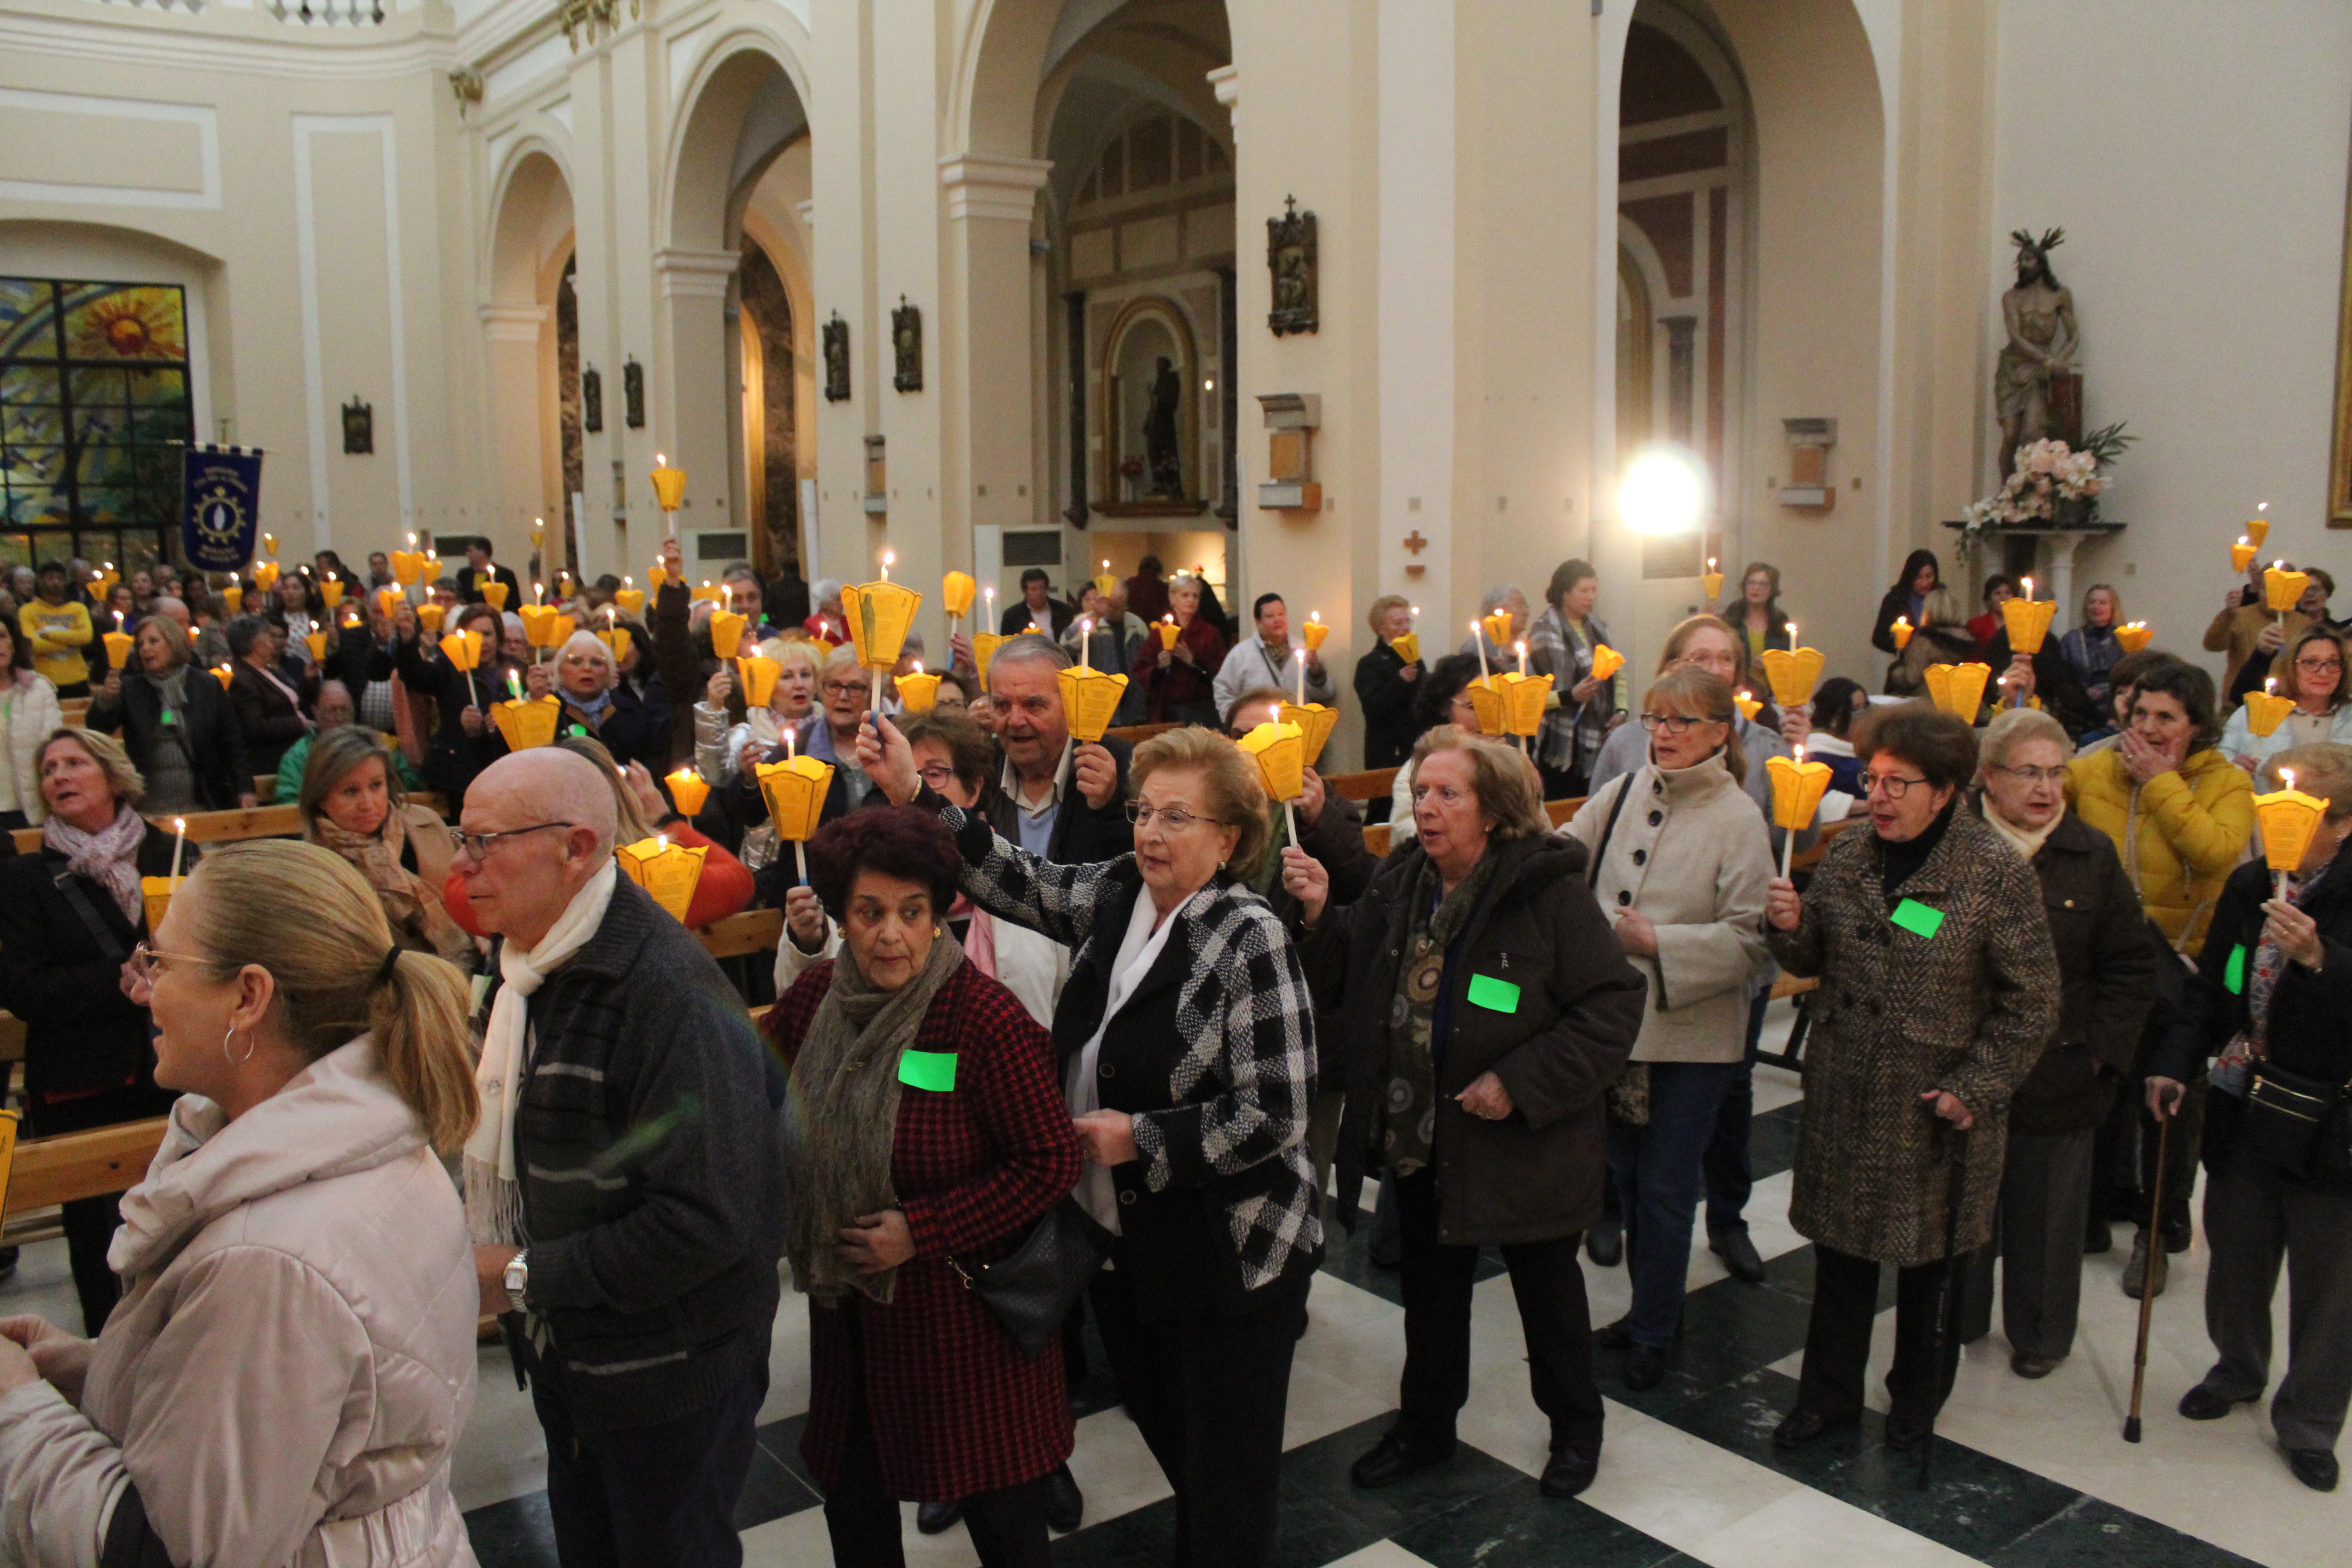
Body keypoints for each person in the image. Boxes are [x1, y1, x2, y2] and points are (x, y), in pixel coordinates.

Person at [864, 720, 1321, 1568]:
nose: (1148, 831)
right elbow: (1019, 878)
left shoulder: (1245, 934)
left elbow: (1277, 1110)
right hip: (1127, 1244)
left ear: (1228, 838)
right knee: (1181, 1448)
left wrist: (1140, 1138)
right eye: (1145, 811)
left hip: (1228, 1255)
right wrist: (914, 795)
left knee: (1227, 1480)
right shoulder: (1121, 891)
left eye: (1176, 817)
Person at [0, 838, 483, 1565]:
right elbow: (316, 1405)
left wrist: (17, 1412)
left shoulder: (268, 1259)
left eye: (160, 962)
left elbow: (175, 1550)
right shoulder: (365, 1137)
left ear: (248, 996)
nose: (144, 988)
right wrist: (102, 1366)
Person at [1284, 726, 1644, 1498]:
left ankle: (1575, 1430)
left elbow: (1613, 1004)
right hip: (1424, 1136)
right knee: (1431, 1299)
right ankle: (1425, 1426)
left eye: (1449, 794)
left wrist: (1519, 1079)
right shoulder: (1404, 878)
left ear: (1494, 810)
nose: (1428, 807)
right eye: (1420, 792)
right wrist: (1319, 911)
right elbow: (1357, 963)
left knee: (1547, 1301)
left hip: (1523, 1147)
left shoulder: (1544, 892)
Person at [456, 747, 785, 1568]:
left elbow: (705, 1222)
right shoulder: (531, 971)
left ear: (575, 847)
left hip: (667, 1377)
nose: (462, 870)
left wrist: (520, 1276)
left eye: (482, 843)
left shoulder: (664, 996)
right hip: (578, 1357)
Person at [763, 808, 1082, 1567]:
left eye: (912, 914)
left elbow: (1049, 1162)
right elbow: (756, 1098)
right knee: (856, 1507)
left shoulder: (979, 1017)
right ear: (841, 915)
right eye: (869, 913)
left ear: (940, 914)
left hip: (960, 1325)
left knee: (1000, 1515)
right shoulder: (814, 1003)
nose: (891, 935)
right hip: (850, 1322)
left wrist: (921, 1229)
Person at [1763, 706, 2057, 1450]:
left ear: (1947, 790)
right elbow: (1809, 958)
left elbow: (2033, 1004)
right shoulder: (1848, 852)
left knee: (1929, 1271)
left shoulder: (1991, 873)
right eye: (1873, 778)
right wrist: (1785, 922)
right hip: (1844, 1095)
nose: (1881, 795)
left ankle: (1913, 1402)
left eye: (1899, 782)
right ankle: (1825, 1397)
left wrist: (1974, 1086)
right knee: (1837, 1262)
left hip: (1930, 1108)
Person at [2145, 744, 2352, 1494]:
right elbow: (2214, 986)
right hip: (2245, 1098)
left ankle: (2309, 1420)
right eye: (2267, 810)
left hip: (2329, 1118)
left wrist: (2322, 960)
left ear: (2343, 824)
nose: (2275, 826)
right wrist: (2173, 1060)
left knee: (2327, 1279)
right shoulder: (2246, 884)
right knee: (2235, 1248)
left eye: (2297, 814)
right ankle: (2236, 1368)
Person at [1564, 671, 1772, 1389]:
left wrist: (1663, 943)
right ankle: (1651, 1312)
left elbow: (1753, 941)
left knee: (1666, 1184)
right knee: (1622, 1173)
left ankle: (1654, 1328)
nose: (1665, 733)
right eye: (1656, 718)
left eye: (1683, 721)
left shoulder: (1738, 819)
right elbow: (1563, 853)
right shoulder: (1624, 792)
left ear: (1722, 731)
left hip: (1692, 1036)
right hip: (1617, 1027)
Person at [1955, 708, 2158, 1376]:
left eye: (2056, 773)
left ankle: (2041, 1334)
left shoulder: (2090, 854)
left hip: (2060, 1065)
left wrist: (2102, 1055)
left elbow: (2130, 966)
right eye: (2028, 773)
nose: (2046, 789)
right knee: (1962, 1202)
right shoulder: (1952, 842)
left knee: (2048, 1214)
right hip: (1965, 1061)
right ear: (1989, 777)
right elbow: (1906, 912)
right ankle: (1956, 1315)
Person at [2068, 656, 2254, 1284]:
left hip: (2184, 964)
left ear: (2196, 726)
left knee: (2168, 1098)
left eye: (2166, 718)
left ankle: (2158, 1226)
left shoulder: (2224, 782)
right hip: (2105, 966)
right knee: (2102, 1089)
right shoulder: (2094, 768)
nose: (2148, 728)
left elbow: (2217, 851)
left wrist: (2161, 784)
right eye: (2140, 713)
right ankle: (2094, 1212)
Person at [0, 730, 187, 1331]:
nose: (59, 775)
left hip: (177, 1065)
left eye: (75, 762)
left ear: (112, 775)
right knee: (99, 1246)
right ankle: (109, 1369)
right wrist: (119, 977)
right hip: (81, 1080)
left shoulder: (171, 854)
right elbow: (25, 989)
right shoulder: (28, 879)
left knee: (185, 1230)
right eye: (49, 767)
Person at [297, 725, 471, 966]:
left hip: (462, 972)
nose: (367, 804)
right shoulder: (313, 866)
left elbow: (468, 899)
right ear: (321, 799)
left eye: (376, 786)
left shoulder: (425, 824)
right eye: (351, 791)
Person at [88, 614, 253, 813]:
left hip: (204, 799)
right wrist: (106, 700)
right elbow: (98, 728)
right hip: (148, 805)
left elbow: (233, 742)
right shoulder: (132, 689)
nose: (146, 649)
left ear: (174, 643)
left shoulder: (206, 685)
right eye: (140, 645)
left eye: (154, 641)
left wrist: (245, 789)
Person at [1526, 559, 1626, 800]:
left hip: (1597, 736)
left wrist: (1622, 710)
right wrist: (1572, 696)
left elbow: (1618, 671)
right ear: (1565, 593)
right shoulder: (1543, 633)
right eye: (1584, 591)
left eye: (1594, 590)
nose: (1591, 597)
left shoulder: (1598, 628)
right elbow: (1530, 698)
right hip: (1561, 743)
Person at [397, 601, 510, 804]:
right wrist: (408, 640)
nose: (482, 642)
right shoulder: (449, 666)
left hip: (505, 770)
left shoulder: (514, 669)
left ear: (499, 637)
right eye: (474, 636)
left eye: (487, 634)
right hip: (459, 775)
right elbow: (417, 677)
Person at [524, 629, 668, 769]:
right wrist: (534, 703)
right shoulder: (548, 711)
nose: (587, 668)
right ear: (559, 670)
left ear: (610, 672)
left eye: (596, 663)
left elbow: (652, 761)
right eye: (576, 662)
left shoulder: (630, 710)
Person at [2220, 626, 2352, 770]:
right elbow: (2217, 765)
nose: (2323, 672)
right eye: (2311, 662)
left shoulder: (2349, 718)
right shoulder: (2252, 714)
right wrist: (2232, 766)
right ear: (2291, 666)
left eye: (2333, 663)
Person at [1387, 653, 1490, 838]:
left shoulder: (1513, 767)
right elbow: (1407, 839)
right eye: (1473, 706)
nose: (1486, 717)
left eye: (1494, 705)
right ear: (1444, 707)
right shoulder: (1417, 772)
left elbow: (1539, 835)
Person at [1212, 592, 1338, 720]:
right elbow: (1223, 691)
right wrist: (1235, 722)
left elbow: (1325, 695)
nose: (1278, 620)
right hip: (1259, 729)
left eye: (1281, 614)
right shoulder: (1242, 654)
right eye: (1270, 616)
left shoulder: (1304, 650)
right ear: (1258, 622)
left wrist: (1316, 671)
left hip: (1297, 727)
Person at [2205, 561, 2317, 699]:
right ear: (2260, 589)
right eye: (2269, 588)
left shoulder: (2304, 623)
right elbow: (2213, 645)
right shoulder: (2240, 616)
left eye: (2282, 589)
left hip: (2288, 708)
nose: (2274, 595)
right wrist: (2227, 616)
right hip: (2240, 707)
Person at [1130, 574, 1225, 726]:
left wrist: (1193, 662)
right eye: (1185, 595)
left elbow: (1222, 673)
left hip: (1202, 710)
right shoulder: (1158, 635)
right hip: (1165, 711)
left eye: (1195, 596)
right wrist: (1159, 667)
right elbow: (1140, 671)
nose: (1191, 600)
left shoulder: (1210, 634)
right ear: (1173, 598)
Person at [226, 613, 313, 777]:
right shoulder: (243, 680)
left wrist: (308, 680)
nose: (273, 644)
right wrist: (299, 724)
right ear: (256, 645)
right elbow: (255, 726)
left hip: (294, 750)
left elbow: (294, 703)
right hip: (272, 759)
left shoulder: (271, 671)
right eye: (268, 638)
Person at [0, 618, 64, 828]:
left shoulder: (39, 690)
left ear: (13, 643)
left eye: (2, 637)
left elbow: (55, 749)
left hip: (31, 811)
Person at [1353, 594, 1425, 771]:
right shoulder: (1369, 663)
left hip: (1415, 746)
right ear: (1380, 628)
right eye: (1398, 624)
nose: (1406, 628)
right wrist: (1400, 681)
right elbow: (1373, 708)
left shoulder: (1416, 660)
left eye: (1408, 622)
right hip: (1386, 752)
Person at [19, 561, 95, 697]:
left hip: (78, 679)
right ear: (41, 581)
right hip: (43, 681)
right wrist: (72, 642)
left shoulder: (78, 609)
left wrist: (47, 635)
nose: (55, 582)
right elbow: (33, 644)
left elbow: (86, 637)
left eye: (60, 578)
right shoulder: (27, 611)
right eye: (50, 578)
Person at [2060, 583, 2128, 714]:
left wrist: (2105, 691)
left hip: (2117, 708)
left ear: (2113, 608)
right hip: (2081, 709)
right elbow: (2063, 677)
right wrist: (2083, 692)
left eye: (2103, 603)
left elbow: (2131, 675)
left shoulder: (2124, 639)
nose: (2096, 607)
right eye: (2092, 602)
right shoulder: (2071, 640)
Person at [1718, 561, 1795, 661]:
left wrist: (1770, 663)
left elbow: (1790, 657)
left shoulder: (1779, 621)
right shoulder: (1731, 617)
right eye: (1752, 582)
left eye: (1763, 584)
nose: (1756, 588)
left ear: (1772, 590)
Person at [1807, 677, 1870, 798]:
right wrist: (1870, 806)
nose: (1864, 716)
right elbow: (1821, 798)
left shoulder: (1870, 747)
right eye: (1856, 710)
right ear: (1837, 715)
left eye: (1866, 707)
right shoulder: (1818, 752)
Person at [1871, 549, 1943, 654]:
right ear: (1910, 577)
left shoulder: (1942, 598)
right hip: (1908, 662)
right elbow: (1879, 638)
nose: (1924, 583)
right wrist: (1902, 642)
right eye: (1919, 577)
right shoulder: (1896, 600)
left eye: (1929, 577)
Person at [1456, 584, 1531, 669]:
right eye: (1520, 605)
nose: (1526, 612)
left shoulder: (1527, 641)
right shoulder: (1480, 643)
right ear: (1498, 609)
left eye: (1526, 606)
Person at [999, 567, 1072, 637]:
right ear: (1024, 591)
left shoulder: (1063, 610)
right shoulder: (1012, 616)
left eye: (1042, 588)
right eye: (1033, 590)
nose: (1039, 593)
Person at [461, 537, 523, 608]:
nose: (467, 555)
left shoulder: (505, 575)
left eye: (470, 551)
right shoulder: (464, 575)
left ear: (482, 552)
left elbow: (514, 602)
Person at [1967, 574, 2017, 660]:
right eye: (1998, 593)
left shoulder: (2020, 626)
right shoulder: (1976, 624)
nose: (2003, 597)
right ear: (1989, 599)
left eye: (2008, 593)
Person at [1125, 554, 1171, 624]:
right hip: (1154, 627)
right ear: (1159, 570)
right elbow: (1166, 611)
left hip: (1132, 624)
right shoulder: (1163, 587)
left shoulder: (1130, 583)